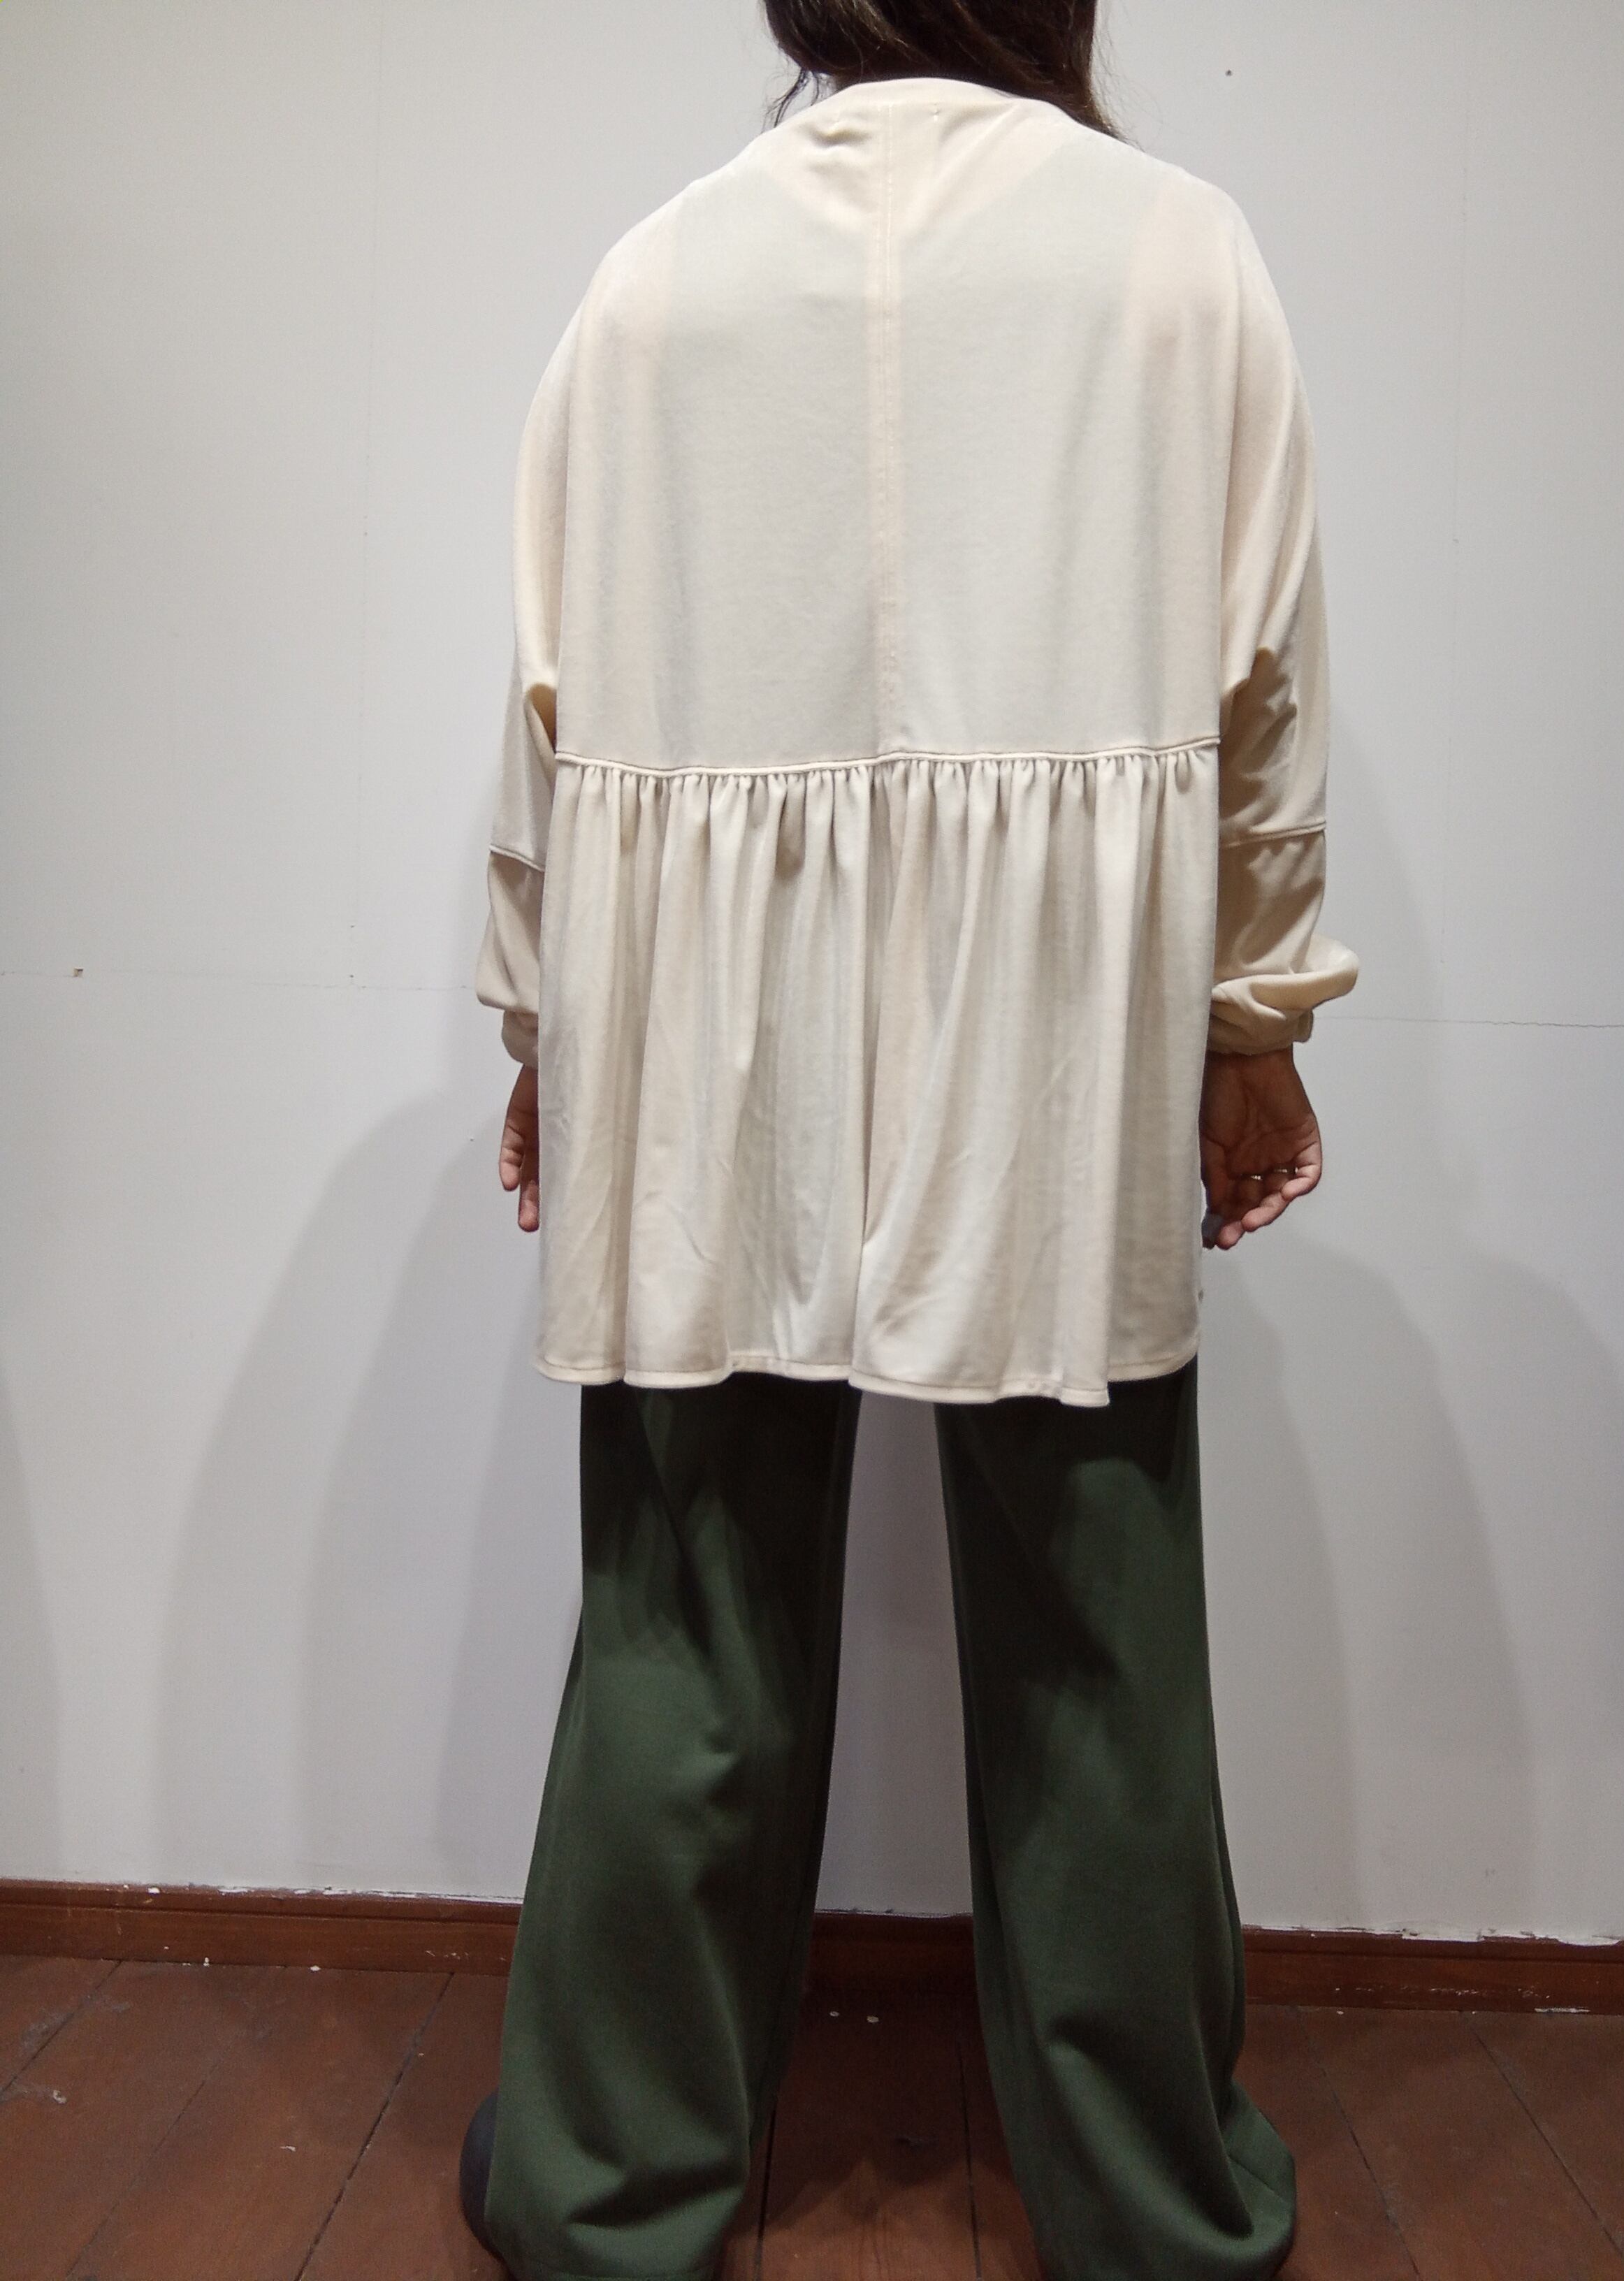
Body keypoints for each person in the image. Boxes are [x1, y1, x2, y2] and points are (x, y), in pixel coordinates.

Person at [463, 3, 1358, 2275]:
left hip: (706, 1025)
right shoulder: (1174, 254)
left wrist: (550, 1023)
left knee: (687, 1603)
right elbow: (1264, 677)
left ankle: (604, 2190)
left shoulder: (657, 275)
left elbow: (547, 708)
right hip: (1059, 1024)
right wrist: (1252, 1017)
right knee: (1094, 1621)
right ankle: (1151, 2209)